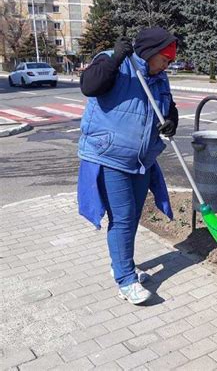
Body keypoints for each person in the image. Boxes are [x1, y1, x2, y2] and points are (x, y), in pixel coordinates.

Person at [77, 26, 178, 305]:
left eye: (170, 61)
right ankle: (125, 280)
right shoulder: (115, 62)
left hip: (141, 159)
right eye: (165, 59)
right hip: (110, 156)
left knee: (132, 216)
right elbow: (89, 86)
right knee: (122, 217)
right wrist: (115, 59)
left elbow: (168, 109)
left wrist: (171, 123)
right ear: (151, 53)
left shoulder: (159, 78)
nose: (168, 65)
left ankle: (121, 264)